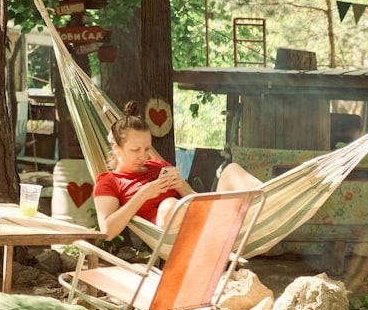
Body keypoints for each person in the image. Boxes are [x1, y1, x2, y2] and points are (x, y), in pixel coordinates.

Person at [94, 101, 261, 242]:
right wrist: (144, 194)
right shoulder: (109, 181)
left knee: (231, 170)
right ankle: (229, 220)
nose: (143, 156)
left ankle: (270, 199)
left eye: (147, 149)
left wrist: (181, 186)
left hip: (203, 217)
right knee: (170, 205)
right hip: (177, 235)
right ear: (117, 148)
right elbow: (107, 231)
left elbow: (196, 199)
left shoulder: (159, 167)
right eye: (135, 150)